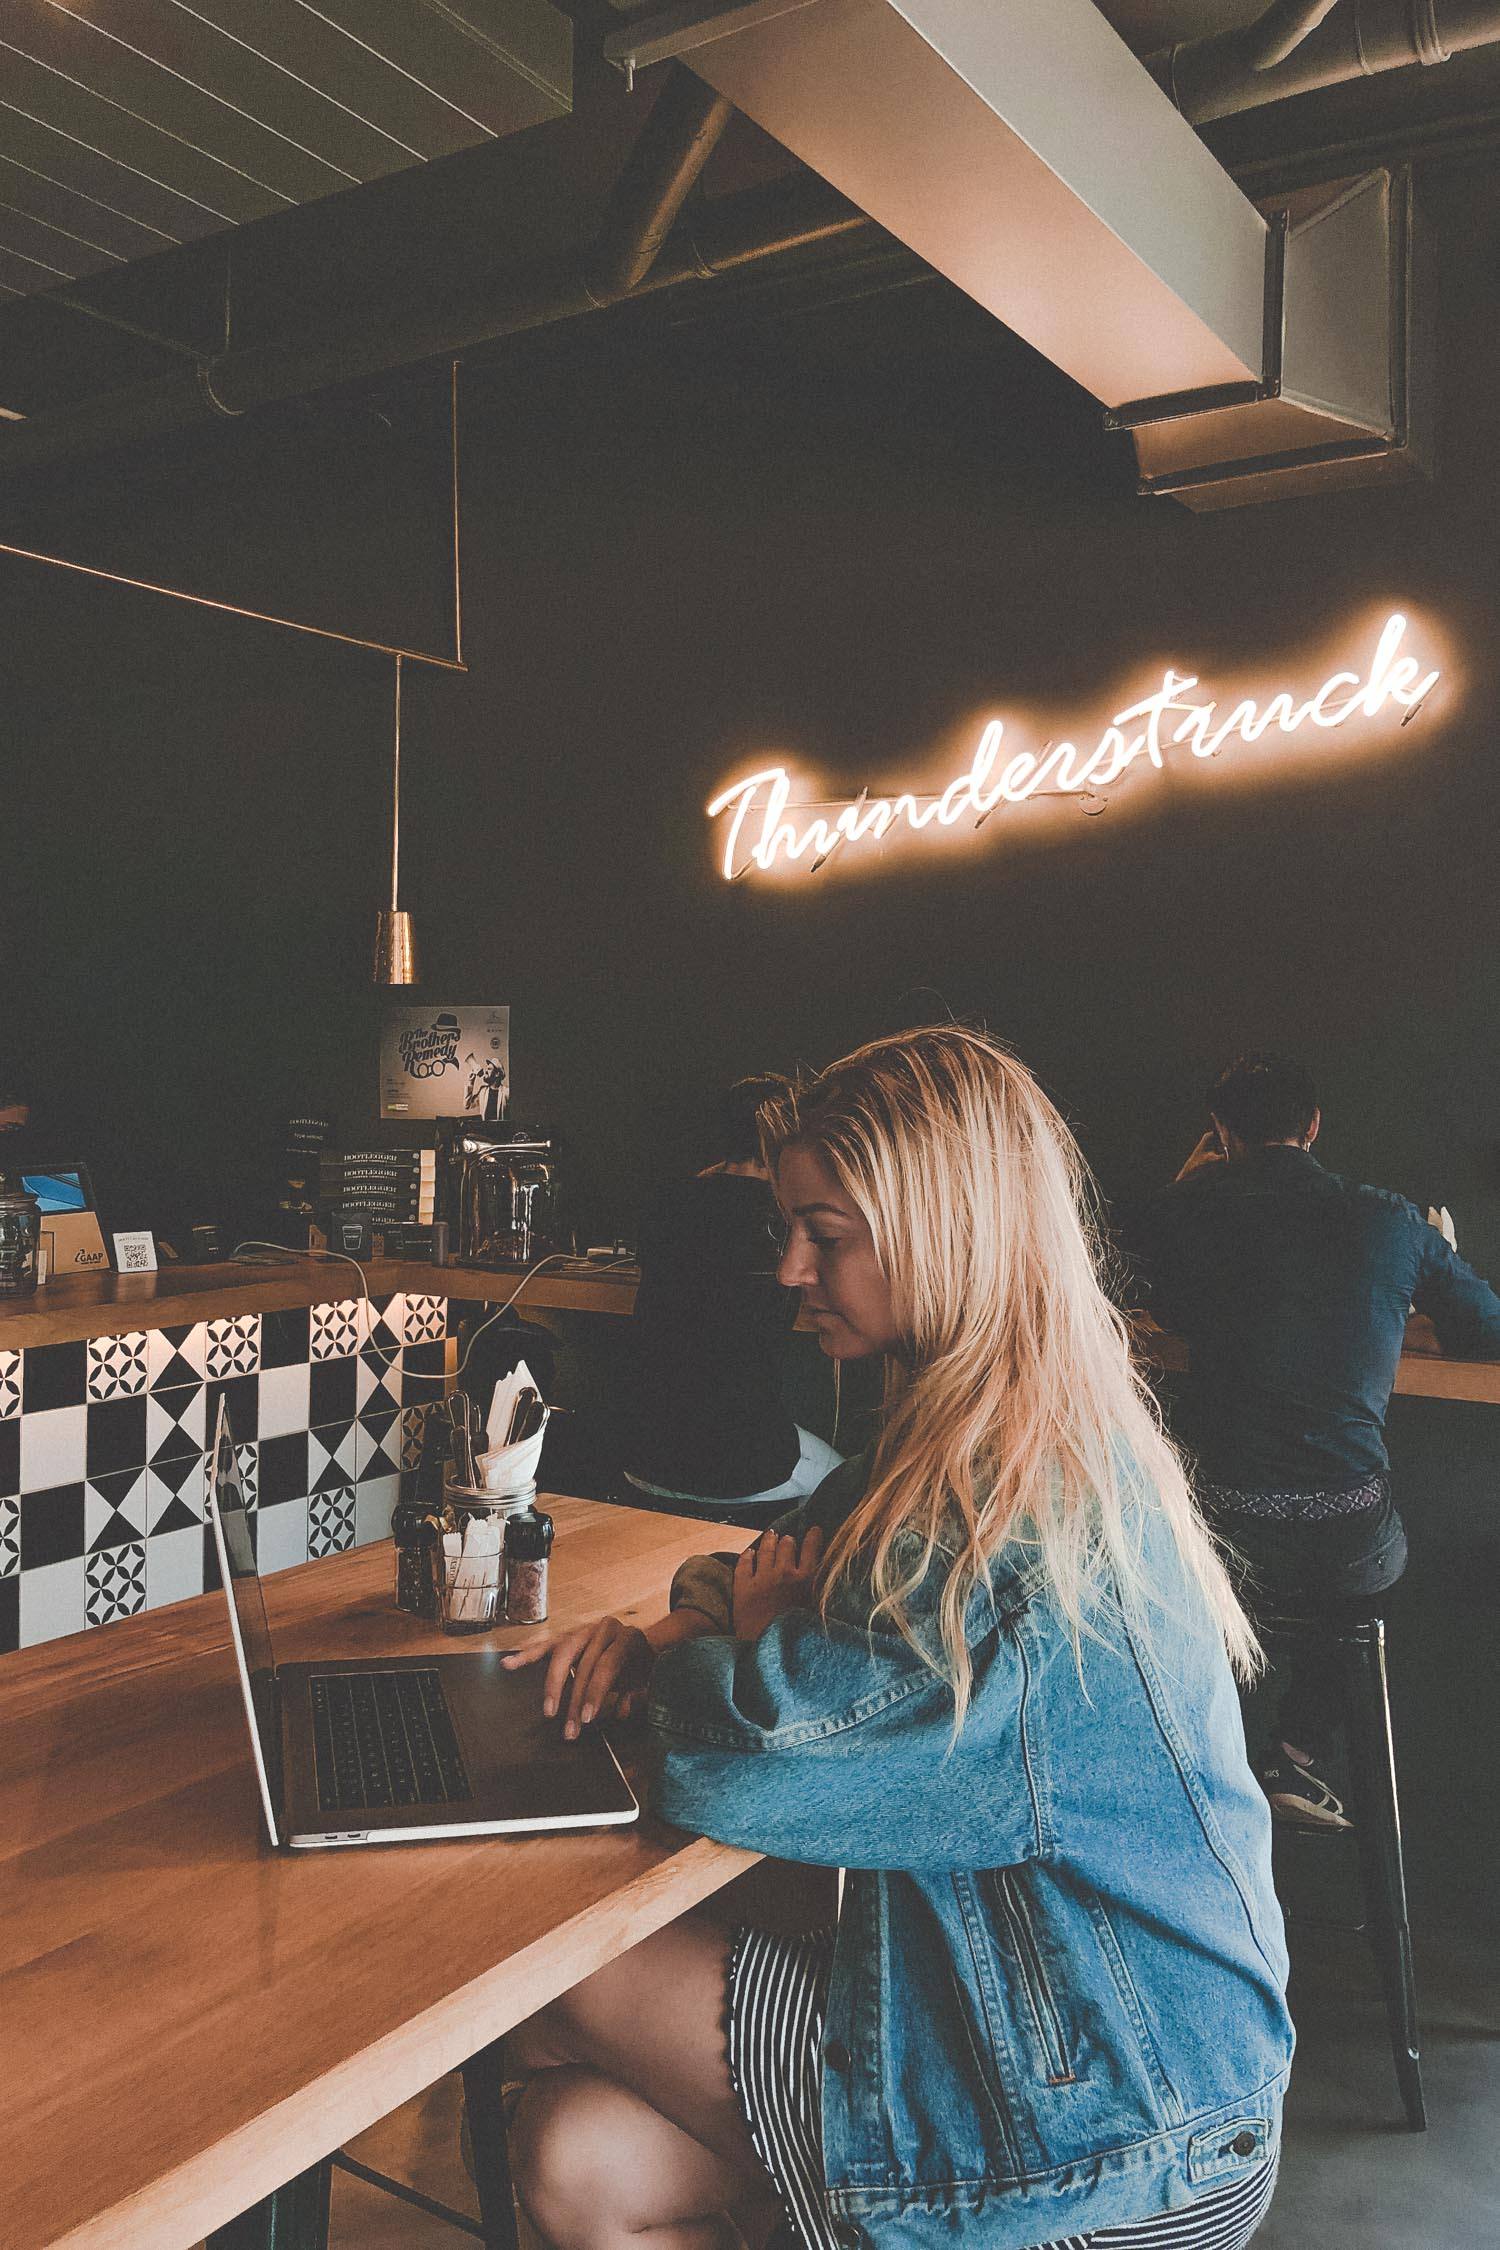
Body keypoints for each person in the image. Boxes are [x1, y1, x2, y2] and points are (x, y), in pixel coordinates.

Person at [499, 1028, 1291, 2250]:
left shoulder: (1011, 1514)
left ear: (944, 1228)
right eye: (789, 1230)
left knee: (540, 1988)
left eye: (829, 1233)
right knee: (578, 2160)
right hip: (1034, 2025)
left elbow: (747, 1763)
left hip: (1120, 2121)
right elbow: (757, 1562)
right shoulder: (968, 1423)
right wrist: (674, 1637)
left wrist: (742, 1649)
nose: (789, 1271)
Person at [1124, 1052, 1500, 1831]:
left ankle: (1200, 1751)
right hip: (1343, 1535)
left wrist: (1189, 1188)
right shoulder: (1389, 1219)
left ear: (1220, 1132)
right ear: (1315, 1127)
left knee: (1181, 1547)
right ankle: (1292, 1754)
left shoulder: (1180, 1212)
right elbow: (1485, 1327)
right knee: (1370, 1562)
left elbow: (1112, 1287)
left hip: (1212, 1539)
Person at [617, 1074, 843, 1524]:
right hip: (744, 1467)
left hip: (643, 1456)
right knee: (850, 1485)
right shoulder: (780, 1217)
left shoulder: (668, 1201)